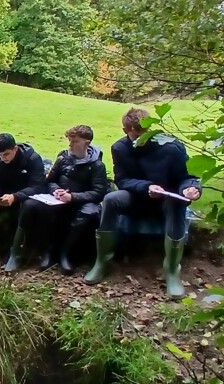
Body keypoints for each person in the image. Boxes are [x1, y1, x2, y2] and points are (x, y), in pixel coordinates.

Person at [85, 108, 201, 299]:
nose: (142, 138)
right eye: (136, 134)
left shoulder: (172, 147)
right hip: (137, 197)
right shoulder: (120, 148)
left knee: (176, 204)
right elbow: (121, 180)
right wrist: (146, 187)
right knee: (111, 199)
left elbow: (187, 177)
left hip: (166, 200)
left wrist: (190, 189)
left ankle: (172, 270)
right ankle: (102, 261)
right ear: (126, 131)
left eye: (145, 133)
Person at [19, 125, 107, 275]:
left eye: (75, 142)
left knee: (89, 212)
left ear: (87, 143)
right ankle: (48, 252)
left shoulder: (96, 165)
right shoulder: (63, 157)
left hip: (81, 201)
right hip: (59, 198)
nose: (70, 145)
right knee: (39, 207)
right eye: (70, 141)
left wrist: (73, 197)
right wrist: (56, 190)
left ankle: (65, 253)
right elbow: (50, 180)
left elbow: (98, 192)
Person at [0, 133, 46, 270]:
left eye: (6, 154)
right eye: (0, 155)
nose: (3, 158)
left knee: (27, 208)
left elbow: (38, 186)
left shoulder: (32, 159)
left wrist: (16, 196)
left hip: (26, 197)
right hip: (5, 196)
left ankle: (16, 253)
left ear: (15, 149)